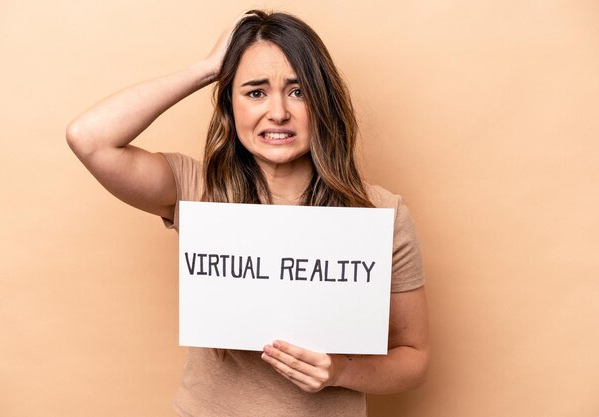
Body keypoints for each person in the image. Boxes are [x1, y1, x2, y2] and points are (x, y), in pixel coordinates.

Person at [67, 10, 428, 417]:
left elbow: (412, 358)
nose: (277, 112)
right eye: (255, 92)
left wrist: (339, 371)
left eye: (298, 91)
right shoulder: (199, 192)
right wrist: (205, 70)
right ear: (230, 103)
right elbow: (90, 138)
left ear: (322, 101)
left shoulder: (380, 213)